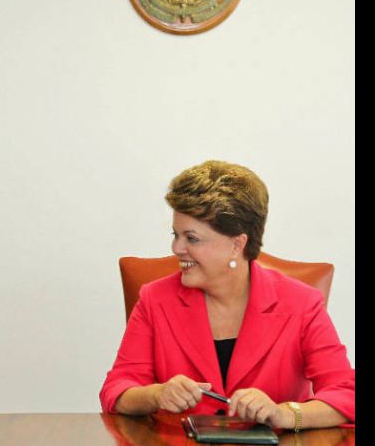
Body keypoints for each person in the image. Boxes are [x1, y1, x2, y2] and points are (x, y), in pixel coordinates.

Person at [99, 160, 354, 430]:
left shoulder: (301, 303)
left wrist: (284, 414)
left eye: (191, 238)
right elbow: (116, 390)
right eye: (176, 235)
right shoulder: (155, 299)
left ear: (237, 244)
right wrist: (157, 394)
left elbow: (347, 394)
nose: (176, 248)